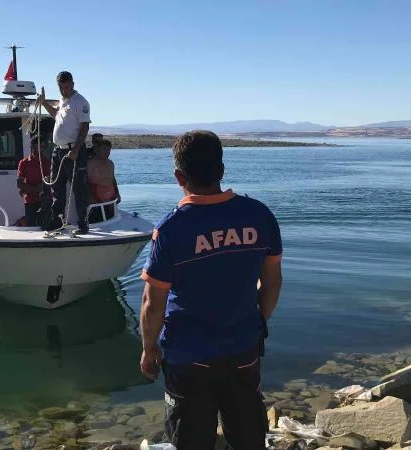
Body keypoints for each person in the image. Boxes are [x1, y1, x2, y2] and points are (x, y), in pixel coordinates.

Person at [139, 130, 283, 450]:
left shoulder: (172, 228)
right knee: (248, 439)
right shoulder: (259, 215)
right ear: (221, 169)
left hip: (189, 357)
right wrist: (258, 320)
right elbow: (272, 281)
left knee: (192, 441)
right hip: (243, 349)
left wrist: (149, 348)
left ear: (179, 176)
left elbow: (152, 301)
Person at [37, 70, 91, 233]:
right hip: (58, 151)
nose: (65, 90)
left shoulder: (80, 102)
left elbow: (84, 127)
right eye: (62, 87)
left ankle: (83, 224)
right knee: (57, 188)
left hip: (74, 151)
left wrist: (75, 151)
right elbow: (57, 115)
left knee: (78, 188)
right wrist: (44, 103)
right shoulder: (62, 100)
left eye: (68, 87)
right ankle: (57, 221)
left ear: (73, 85)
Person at [17, 135, 52, 226]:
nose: (43, 148)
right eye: (40, 146)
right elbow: (19, 183)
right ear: (32, 147)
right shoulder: (24, 163)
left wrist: (27, 189)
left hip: (45, 201)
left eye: (44, 146)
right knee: (31, 226)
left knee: (45, 225)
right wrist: (37, 188)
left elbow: (49, 182)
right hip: (30, 202)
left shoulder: (48, 163)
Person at [86, 139, 120, 222]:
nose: (108, 152)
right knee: (98, 219)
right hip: (96, 196)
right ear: (97, 150)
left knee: (111, 218)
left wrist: (117, 193)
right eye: (105, 150)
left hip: (110, 196)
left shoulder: (110, 163)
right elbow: (85, 182)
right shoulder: (91, 163)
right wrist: (89, 197)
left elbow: (113, 179)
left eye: (109, 150)